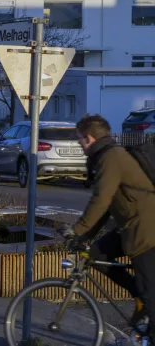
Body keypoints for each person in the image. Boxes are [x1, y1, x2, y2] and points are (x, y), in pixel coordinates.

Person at [62, 114, 155, 335]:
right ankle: (138, 295)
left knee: (150, 292)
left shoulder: (112, 157)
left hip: (146, 230)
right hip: (130, 227)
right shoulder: (104, 156)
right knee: (93, 255)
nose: (78, 144)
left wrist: (77, 229)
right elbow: (108, 205)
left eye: (79, 139)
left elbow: (101, 200)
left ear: (89, 138)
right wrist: (83, 238)